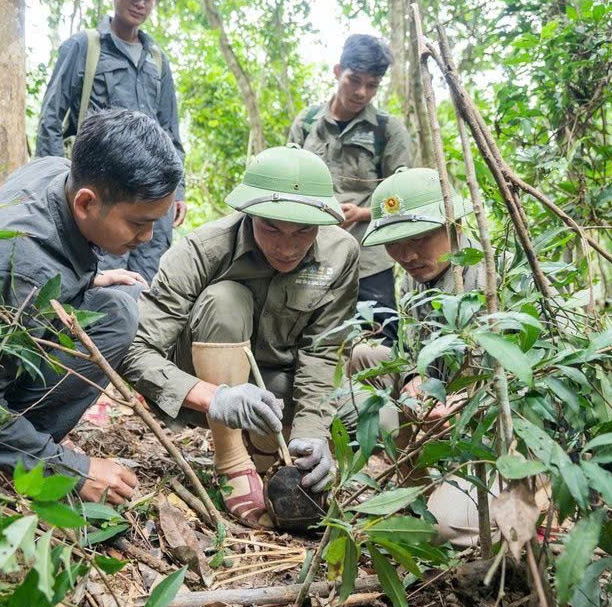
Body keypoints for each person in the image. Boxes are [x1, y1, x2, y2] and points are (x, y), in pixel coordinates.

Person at [0, 109, 183, 504]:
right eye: (138, 223)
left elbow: (48, 249)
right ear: (86, 203)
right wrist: (70, 468)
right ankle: (13, 463)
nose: (148, 236)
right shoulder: (20, 276)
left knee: (122, 303)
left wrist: (82, 279)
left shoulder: (55, 171)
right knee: (118, 319)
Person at [120, 145, 360, 528]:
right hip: (201, 387)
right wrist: (215, 397)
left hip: (280, 382)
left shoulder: (341, 253)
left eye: (303, 231)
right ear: (248, 215)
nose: (287, 247)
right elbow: (136, 349)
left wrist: (312, 434)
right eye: (272, 228)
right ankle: (231, 460)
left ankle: (270, 452)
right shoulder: (203, 249)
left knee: (368, 410)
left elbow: (324, 350)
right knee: (225, 298)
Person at [340, 167, 491, 546]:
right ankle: (418, 483)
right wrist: (413, 380)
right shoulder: (412, 276)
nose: (407, 254)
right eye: (395, 242)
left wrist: (465, 402)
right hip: (439, 401)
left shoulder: (490, 276)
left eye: (422, 237)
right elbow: (412, 352)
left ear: (454, 224)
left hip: (495, 423)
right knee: (361, 356)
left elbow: (528, 381)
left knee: (440, 528)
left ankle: (529, 497)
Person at [35, 0, 185, 282]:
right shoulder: (83, 47)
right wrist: (50, 185)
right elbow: (50, 118)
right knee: (93, 283)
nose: (140, 3)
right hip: (104, 195)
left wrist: (179, 193)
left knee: (147, 286)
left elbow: (170, 133)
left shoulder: (157, 60)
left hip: (150, 200)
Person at [288, 34, 414, 346]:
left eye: (372, 85)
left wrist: (364, 212)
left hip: (370, 257)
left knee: (381, 341)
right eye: (354, 80)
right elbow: (288, 182)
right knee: (308, 336)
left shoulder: (388, 130)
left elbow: (405, 196)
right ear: (337, 71)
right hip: (312, 253)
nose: (361, 92)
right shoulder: (307, 123)